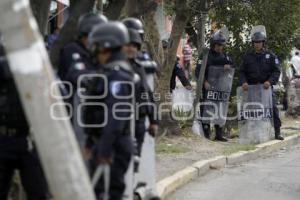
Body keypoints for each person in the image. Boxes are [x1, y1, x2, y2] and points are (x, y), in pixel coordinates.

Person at [83, 22, 135, 200]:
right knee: (98, 193)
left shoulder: (118, 75)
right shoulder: (108, 72)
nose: (94, 50)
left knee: (110, 193)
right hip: (105, 142)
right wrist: (91, 143)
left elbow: (116, 116)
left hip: (114, 145)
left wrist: (104, 150)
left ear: (106, 45)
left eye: (96, 45)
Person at [0, 39, 49, 200]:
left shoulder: (34, 72)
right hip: (3, 138)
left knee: (38, 190)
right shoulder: (3, 69)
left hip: (26, 138)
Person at [239, 27, 284, 140]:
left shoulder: (271, 56)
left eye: (259, 42)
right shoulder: (248, 57)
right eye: (255, 42)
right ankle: (252, 133)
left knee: (273, 108)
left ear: (263, 43)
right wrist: (243, 82)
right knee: (252, 110)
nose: (257, 44)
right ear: (253, 43)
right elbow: (242, 72)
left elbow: (276, 71)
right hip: (252, 88)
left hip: (266, 88)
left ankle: (277, 132)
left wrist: (269, 81)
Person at [195, 29, 232, 141]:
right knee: (206, 109)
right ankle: (206, 134)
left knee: (219, 110)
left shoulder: (224, 56)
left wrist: (228, 67)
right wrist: (204, 82)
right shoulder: (205, 55)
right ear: (213, 44)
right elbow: (198, 71)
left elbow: (232, 67)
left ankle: (219, 134)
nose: (220, 47)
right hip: (207, 87)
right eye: (218, 45)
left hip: (220, 87)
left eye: (221, 45)